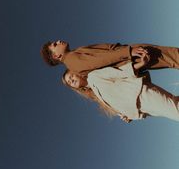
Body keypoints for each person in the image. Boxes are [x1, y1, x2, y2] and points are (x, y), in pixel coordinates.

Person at [62, 53, 179, 123]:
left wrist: (141, 64)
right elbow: (118, 102)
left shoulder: (93, 76)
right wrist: (126, 115)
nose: (71, 80)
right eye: (69, 82)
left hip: (141, 94)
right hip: (141, 108)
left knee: (176, 111)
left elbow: (118, 72)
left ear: (77, 72)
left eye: (71, 76)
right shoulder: (95, 94)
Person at [40, 40, 179, 75]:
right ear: (56, 55)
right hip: (131, 57)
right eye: (55, 44)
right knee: (174, 57)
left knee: (173, 59)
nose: (58, 41)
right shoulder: (71, 60)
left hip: (129, 55)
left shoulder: (73, 56)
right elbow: (100, 61)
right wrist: (128, 52)